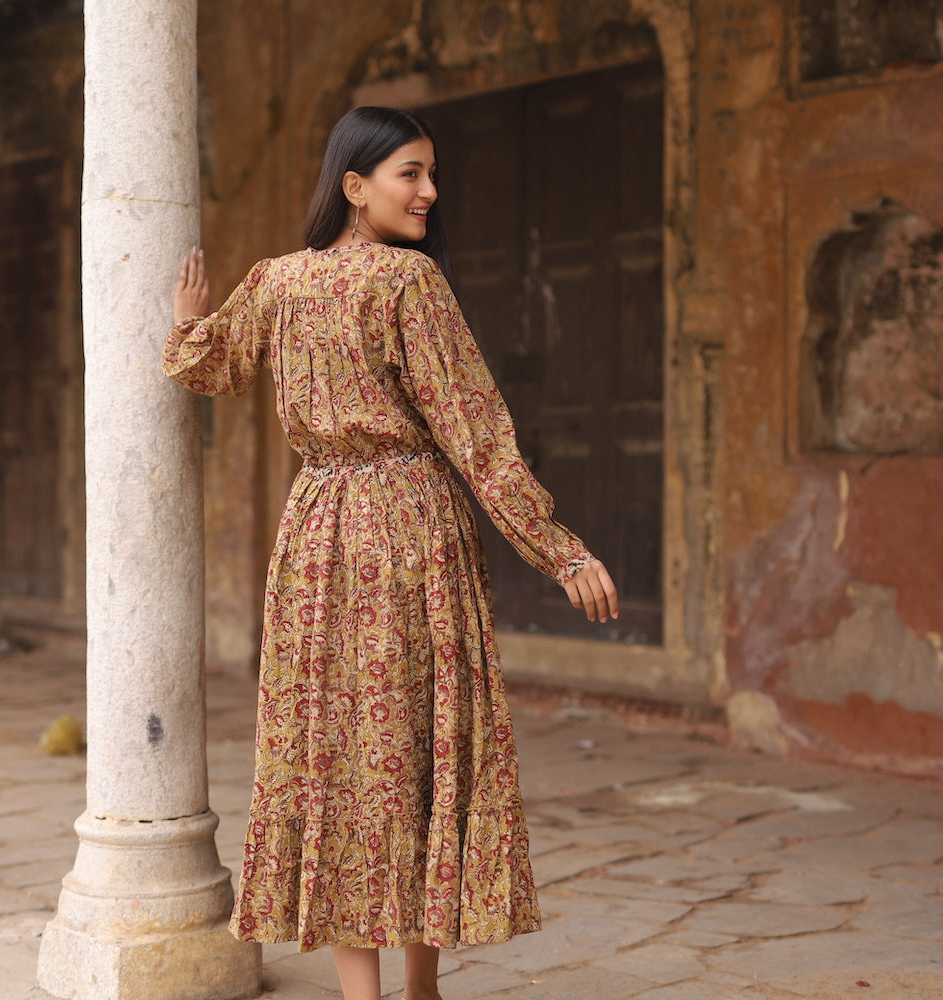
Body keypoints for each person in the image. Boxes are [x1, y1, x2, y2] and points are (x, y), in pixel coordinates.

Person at [164, 105, 618, 1000]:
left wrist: (188, 328)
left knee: (335, 754)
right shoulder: (409, 284)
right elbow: (476, 435)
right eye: (411, 173)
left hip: (318, 533)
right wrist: (559, 551)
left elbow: (207, 369)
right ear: (354, 185)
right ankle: (421, 991)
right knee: (417, 745)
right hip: (410, 527)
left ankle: (374, 995)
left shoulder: (274, 283)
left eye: (431, 173)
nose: (430, 192)